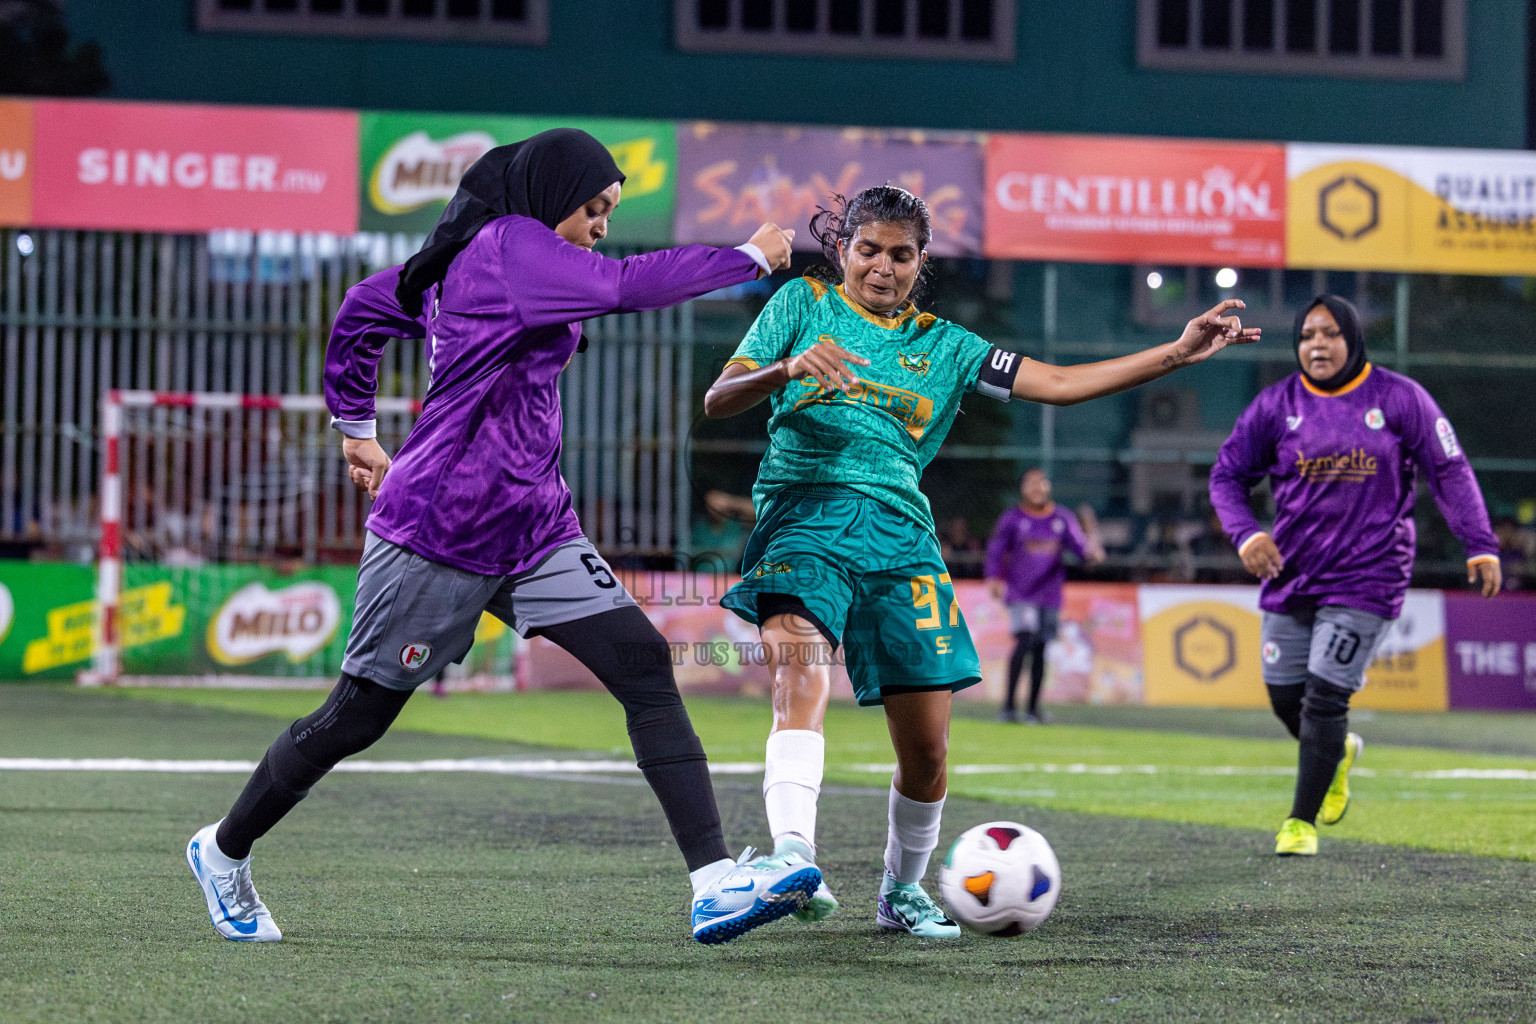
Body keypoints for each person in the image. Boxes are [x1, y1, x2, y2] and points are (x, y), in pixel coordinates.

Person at [185, 129, 816, 947]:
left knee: (644, 667)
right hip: (440, 531)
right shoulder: (510, 245)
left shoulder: (474, 261)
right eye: (592, 209)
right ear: (549, 201)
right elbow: (626, 286)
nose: (600, 225)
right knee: (356, 719)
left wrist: (355, 426)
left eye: (610, 212)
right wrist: (750, 257)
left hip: (532, 525)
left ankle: (712, 885)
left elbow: (363, 309)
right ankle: (223, 850)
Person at [702, 184, 1261, 937]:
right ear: (843, 251)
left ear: (921, 262)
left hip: (903, 537)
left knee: (928, 748)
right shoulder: (802, 304)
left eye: (901, 255)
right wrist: (786, 370)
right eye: (868, 250)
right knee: (799, 666)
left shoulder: (951, 346)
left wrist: (1178, 353)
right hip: (805, 512)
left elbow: (1058, 385)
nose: (882, 268)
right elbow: (720, 398)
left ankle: (901, 891)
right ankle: (790, 856)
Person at [1209, 294, 1501, 858]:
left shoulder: (1398, 398)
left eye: (1329, 333)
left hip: (1369, 577)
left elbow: (1449, 468)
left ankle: (1300, 823)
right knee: (1284, 698)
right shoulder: (1276, 405)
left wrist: (1480, 543)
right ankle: (1337, 754)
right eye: (1306, 336)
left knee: (1324, 697)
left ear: (1353, 339)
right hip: (1291, 574)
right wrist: (1246, 534)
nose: (1317, 345)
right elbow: (1226, 476)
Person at [985, 468, 1105, 724]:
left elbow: (1082, 551)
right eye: (1030, 484)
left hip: (1049, 594)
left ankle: (1033, 710)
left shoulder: (1062, 517)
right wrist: (993, 577)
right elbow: (996, 550)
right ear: (1022, 489)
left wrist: (1092, 553)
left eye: (1041, 483)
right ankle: (1008, 707)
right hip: (1020, 593)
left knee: (1041, 648)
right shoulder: (1013, 518)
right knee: (1025, 640)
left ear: (1049, 486)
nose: (1037, 488)